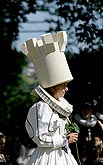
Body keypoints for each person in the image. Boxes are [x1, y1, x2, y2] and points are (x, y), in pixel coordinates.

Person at [21, 31, 78, 165]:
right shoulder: (41, 107)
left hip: (64, 155)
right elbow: (40, 138)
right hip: (47, 158)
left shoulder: (59, 106)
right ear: (53, 87)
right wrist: (64, 139)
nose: (67, 89)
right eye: (63, 85)